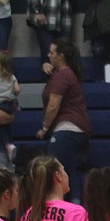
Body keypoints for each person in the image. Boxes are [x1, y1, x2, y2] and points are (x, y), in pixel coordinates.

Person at [35, 40, 91, 200]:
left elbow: (53, 105)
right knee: (71, 172)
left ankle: (69, 207)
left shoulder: (63, 75)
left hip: (66, 130)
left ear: (61, 56)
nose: (49, 55)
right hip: (75, 131)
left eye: (52, 53)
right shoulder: (64, 74)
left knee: (59, 173)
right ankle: (76, 207)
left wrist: (45, 128)